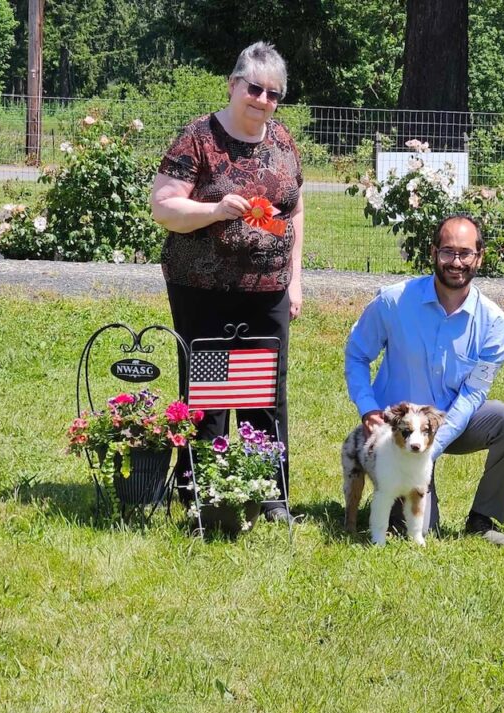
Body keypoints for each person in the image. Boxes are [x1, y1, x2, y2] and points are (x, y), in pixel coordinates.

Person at [150, 41, 302, 522]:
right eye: (254, 88)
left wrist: (295, 280)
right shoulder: (198, 138)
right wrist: (215, 210)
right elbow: (164, 207)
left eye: (273, 93)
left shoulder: (283, 142)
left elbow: (295, 211)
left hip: (268, 290)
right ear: (234, 84)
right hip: (203, 290)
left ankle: (269, 493)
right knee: (209, 390)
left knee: (264, 391)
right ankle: (203, 491)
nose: (262, 99)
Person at [344, 215, 504, 545]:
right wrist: (368, 408)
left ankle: (482, 518)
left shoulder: (493, 322)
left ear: (479, 257)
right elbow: (357, 354)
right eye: (447, 252)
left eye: (465, 253)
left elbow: (474, 394)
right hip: (399, 433)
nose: (456, 262)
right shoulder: (393, 301)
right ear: (433, 252)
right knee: (419, 530)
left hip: (451, 423)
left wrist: (433, 446)